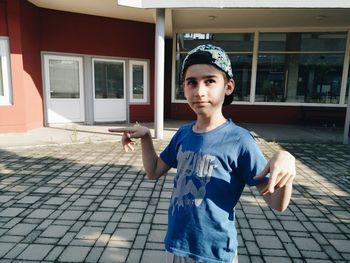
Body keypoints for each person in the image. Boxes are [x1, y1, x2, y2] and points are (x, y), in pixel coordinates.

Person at [109, 44, 296, 263]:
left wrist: (286, 161)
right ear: (184, 88)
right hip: (176, 246)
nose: (199, 91)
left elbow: (277, 203)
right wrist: (147, 137)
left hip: (215, 254)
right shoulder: (183, 134)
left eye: (210, 81)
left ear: (228, 86)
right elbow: (153, 171)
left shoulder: (240, 141)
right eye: (192, 82)